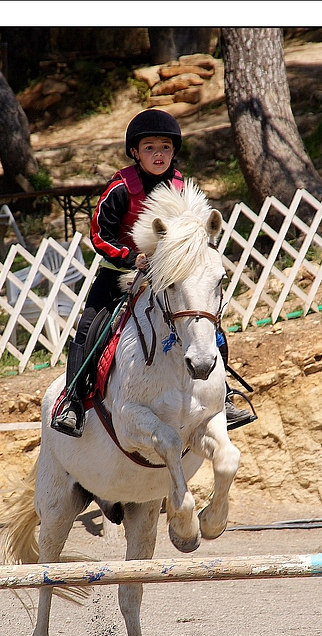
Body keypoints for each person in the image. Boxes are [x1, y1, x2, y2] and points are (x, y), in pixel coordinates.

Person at [53, 109, 256, 436]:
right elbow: (98, 235)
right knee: (88, 328)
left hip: (170, 278)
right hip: (120, 273)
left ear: (174, 151)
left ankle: (225, 393)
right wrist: (132, 257)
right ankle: (73, 403)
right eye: (149, 148)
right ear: (135, 152)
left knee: (207, 323)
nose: (158, 154)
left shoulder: (181, 186)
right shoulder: (120, 188)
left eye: (165, 147)